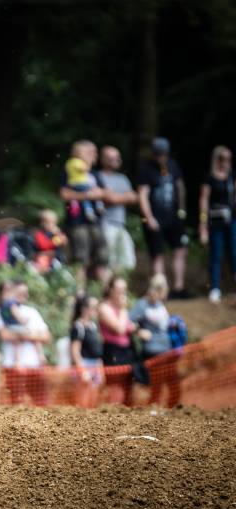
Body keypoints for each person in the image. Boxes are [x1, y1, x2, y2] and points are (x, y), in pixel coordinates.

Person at [137, 137, 190, 298]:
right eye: (159, 154)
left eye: (164, 154)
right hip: (155, 217)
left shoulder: (173, 165)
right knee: (157, 253)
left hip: (174, 217)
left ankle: (179, 288)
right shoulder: (146, 169)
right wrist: (149, 218)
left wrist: (182, 210)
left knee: (180, 249)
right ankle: (160, 291)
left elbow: (180, 187)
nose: (161, 157)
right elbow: (142, 195)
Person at [0, 281, 51, 405]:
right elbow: (5, 335)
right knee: (17, 404)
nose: (24, 295)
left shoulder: (32, 311)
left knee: (42, 404)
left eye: (26, 292)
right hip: (13, 367)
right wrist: (31, 335)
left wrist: (23, 335)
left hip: (35, 366)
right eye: (21, 291)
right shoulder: (0, 311)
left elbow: (46, 336)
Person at [59, 140, 109, 286]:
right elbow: (64, 194)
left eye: (94, 152)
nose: (94, 155)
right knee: (80, 259)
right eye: (89, 152)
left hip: (96, 222)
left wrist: (99, 193)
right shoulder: (69, 171)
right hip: (77, 222)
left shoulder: (95, 174)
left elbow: (105, 193)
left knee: (102, 259)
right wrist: (86, 195)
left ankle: (103, 292)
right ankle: (79, 292)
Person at [98, 277, 150, 406]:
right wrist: (122, 309)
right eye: (119, 289)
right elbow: (119, 329)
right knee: (116, 387)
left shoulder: (121, 309)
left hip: (128, 350)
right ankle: (113, 412)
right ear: (111, 290)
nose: (122, 293)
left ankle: (126, 412)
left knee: (129, 384)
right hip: (113, 352)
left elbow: (128, 326)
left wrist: (139, 331)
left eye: (124, 289)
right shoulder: (104, 308)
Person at [130, 274, 180, 406]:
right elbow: (129, 322)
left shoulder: (159, 304)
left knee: (173, 384)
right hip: (153, 351)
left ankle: (172, 409)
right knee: (156, 385)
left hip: (167, 349)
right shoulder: (142, 305)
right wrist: (139, 331)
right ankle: (152, 409)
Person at [198, 145, 235, 303]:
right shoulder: (209, 178)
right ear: (216, 159)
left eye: (228, 159)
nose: (225, 162)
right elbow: (204, 199)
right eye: (222, 158)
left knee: (234, 252)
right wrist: (203, 222)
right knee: (216, 254)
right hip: (215, 221)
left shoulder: (231, 177)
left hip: (231, 220)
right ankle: (214, 288)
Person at [98, 146, 138, 271]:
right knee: (108, 261)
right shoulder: (98, 177)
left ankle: (118, 282)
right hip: (104, 224)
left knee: (128, 261)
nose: (115, 160)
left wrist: (114, 197)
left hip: (120, 225)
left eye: (117, 157)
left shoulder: (122, 178)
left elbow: (134, 197)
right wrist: (123, 197)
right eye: (111, 158)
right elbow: (110, 199)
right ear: (103, 159)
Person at [69, 295, 104, 408]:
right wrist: (82, 371)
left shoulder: (93, 326)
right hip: (84, 364)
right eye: (93, 307)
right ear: (84, 309)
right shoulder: (78, 326)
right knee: (83, 400)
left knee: (93, 399)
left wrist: (100, 368)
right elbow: (75, 351)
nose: (96, 310)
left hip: (95, 365)